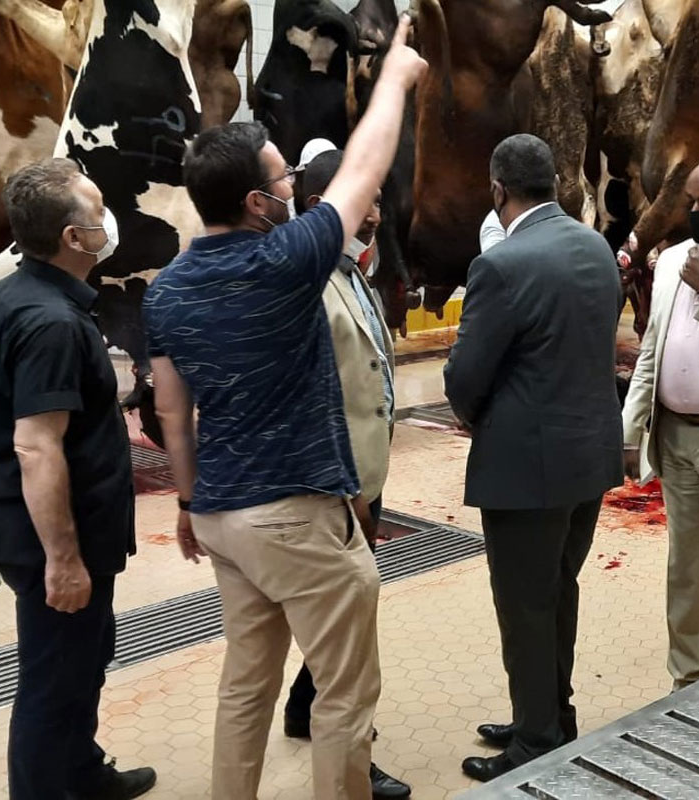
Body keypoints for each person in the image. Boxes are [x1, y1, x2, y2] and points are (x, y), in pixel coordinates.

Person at [141, 18, 425, 800]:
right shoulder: (283, 260)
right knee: (345, 693)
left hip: (226, 516)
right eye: (281, 183)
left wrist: (189, 501)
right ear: (257, 203)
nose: (294, 193)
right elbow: (365, 167)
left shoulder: (166, 291)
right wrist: (394, 77)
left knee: (246, 687)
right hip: (296, 517)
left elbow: (172, 410)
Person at [0, 158, 155, 800]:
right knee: (53, 685)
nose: (109, 219)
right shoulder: (50, 321)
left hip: (72, 531)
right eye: (98, 209)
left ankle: (82, 773)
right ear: (74, 239)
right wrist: (64, 560)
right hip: (53, 539)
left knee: (82, 663)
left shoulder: (24, 293)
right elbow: (36, 447)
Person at [445, 134, 623, 781]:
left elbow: (465, 378)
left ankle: (534, 745)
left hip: (526, 468)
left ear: (498, 190)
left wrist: (473, 414)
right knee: (558, 591)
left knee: (524, 605)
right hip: (590, 457)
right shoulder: (595, 247)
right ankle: (549, 715)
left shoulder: (502, 264)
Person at [276, 145, 410, 799]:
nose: (377, 212)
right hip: (335, 485)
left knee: (343, 620)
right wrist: (343, 488)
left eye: (378, 198)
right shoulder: (303, 285)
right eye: (365, 199)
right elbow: (309, 397)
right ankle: (353, 758)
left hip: (365, 477)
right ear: (315, 208)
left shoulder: (353, 270)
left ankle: (304, 707)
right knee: (350, 631)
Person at [621, 155, 699, 689]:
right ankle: (688, 679)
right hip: (673, 435)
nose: (695, 212)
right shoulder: (672, 258)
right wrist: (631, 428)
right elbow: (651, 349)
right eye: (690, 202)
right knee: (685, 568)